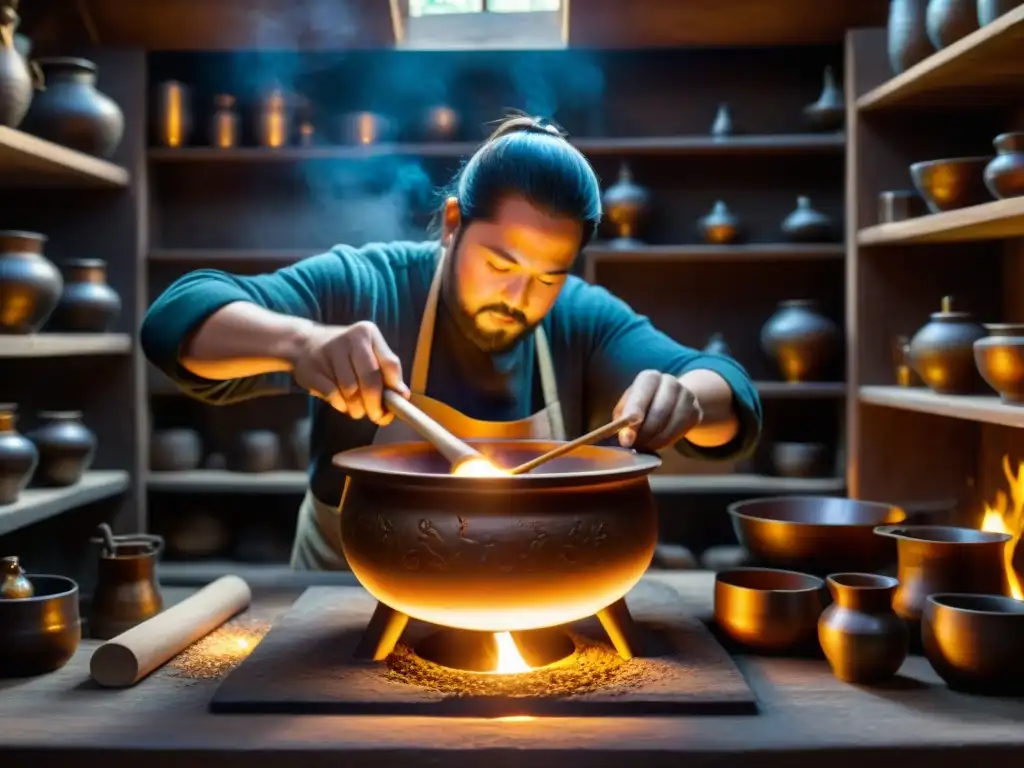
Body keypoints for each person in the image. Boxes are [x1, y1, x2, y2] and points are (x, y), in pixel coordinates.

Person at [140, 115, 763, 571]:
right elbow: (177, 317)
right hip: (339, 605)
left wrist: (686, 398)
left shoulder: (581, 318)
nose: (519, 295)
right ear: (452, 223)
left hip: (524, 602)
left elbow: (729, 390)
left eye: (548, 275)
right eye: (499, 263)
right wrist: (301, 343)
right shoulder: (369, 285)